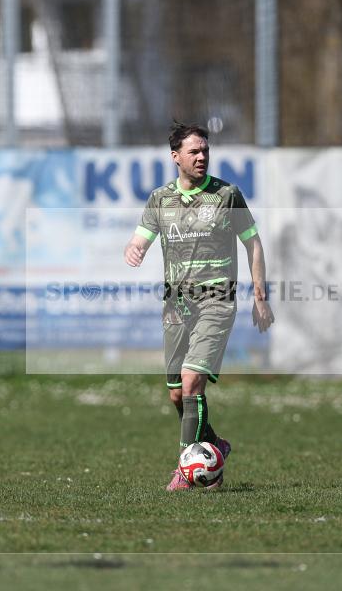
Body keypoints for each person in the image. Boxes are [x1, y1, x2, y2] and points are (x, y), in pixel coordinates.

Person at [124, 121, 274, 491]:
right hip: (176, 305)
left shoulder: (227, 195)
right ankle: (215, 445)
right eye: (194, 151)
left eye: (205, 150)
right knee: (177, 393)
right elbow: (141, 237)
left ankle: (184, 469)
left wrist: (260, 297)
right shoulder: (160, 199)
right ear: (175, 157)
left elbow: (253, 244)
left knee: (192, 383)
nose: (202, 156)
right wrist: (135, 248)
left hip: (216, 300)